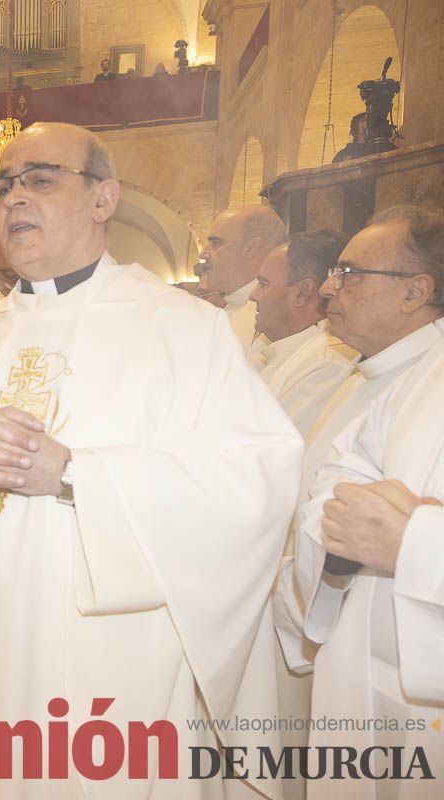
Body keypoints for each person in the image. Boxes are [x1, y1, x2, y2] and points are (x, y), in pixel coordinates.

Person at [0, 122, 302, 798]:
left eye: (39, 179)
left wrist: (73, 474)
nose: (13, 199)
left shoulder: (182, 329)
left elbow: (255, 478)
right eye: (4, 186)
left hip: (112, 657)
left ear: (104, 198)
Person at [296, 335, 444, 799]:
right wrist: (349, 519)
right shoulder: (432, 364)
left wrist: (417, 544)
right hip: (366, 664)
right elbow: (346, 464)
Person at [250, 230, 356, 435]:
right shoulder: (288, 350)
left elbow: (274, 451)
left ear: (303, 293)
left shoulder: (328, 363)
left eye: (263, 284)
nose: (253, 295)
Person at [200, 204, 288, 365]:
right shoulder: (232, 306)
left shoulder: (273, 316)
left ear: (251, 248)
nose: (203, 253)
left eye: (215, 243)